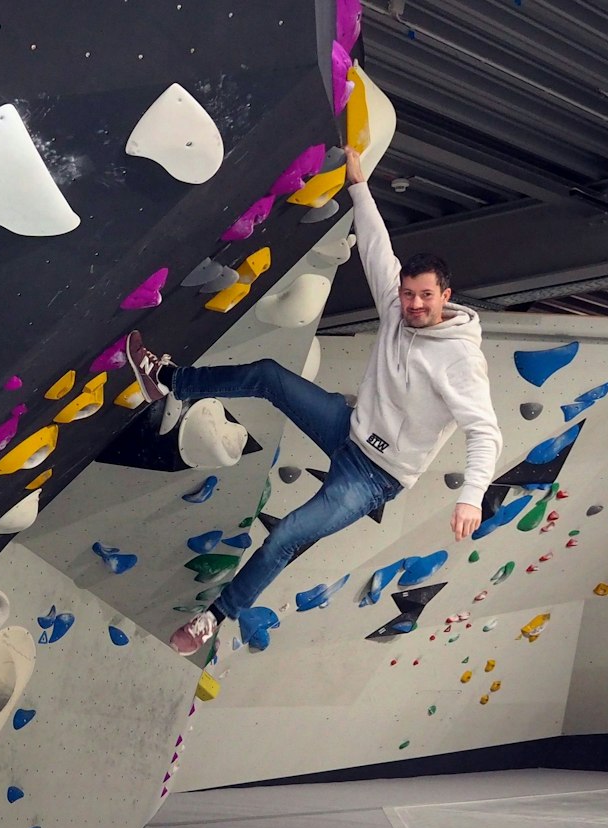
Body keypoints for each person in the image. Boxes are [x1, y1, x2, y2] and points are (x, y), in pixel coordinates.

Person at [128, 145, 501, 656]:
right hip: (348, 428)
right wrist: (359, 185)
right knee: (269, 377)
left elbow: (484, 430)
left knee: (286, 537)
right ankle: (170, 380)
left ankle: (213, 619)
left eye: (425, 297)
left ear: (445, 295)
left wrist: (471, 495)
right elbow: (375, 247)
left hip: (375, 477)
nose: (413, 305)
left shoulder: (459, 359)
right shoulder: (396, 307)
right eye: (409, 294)